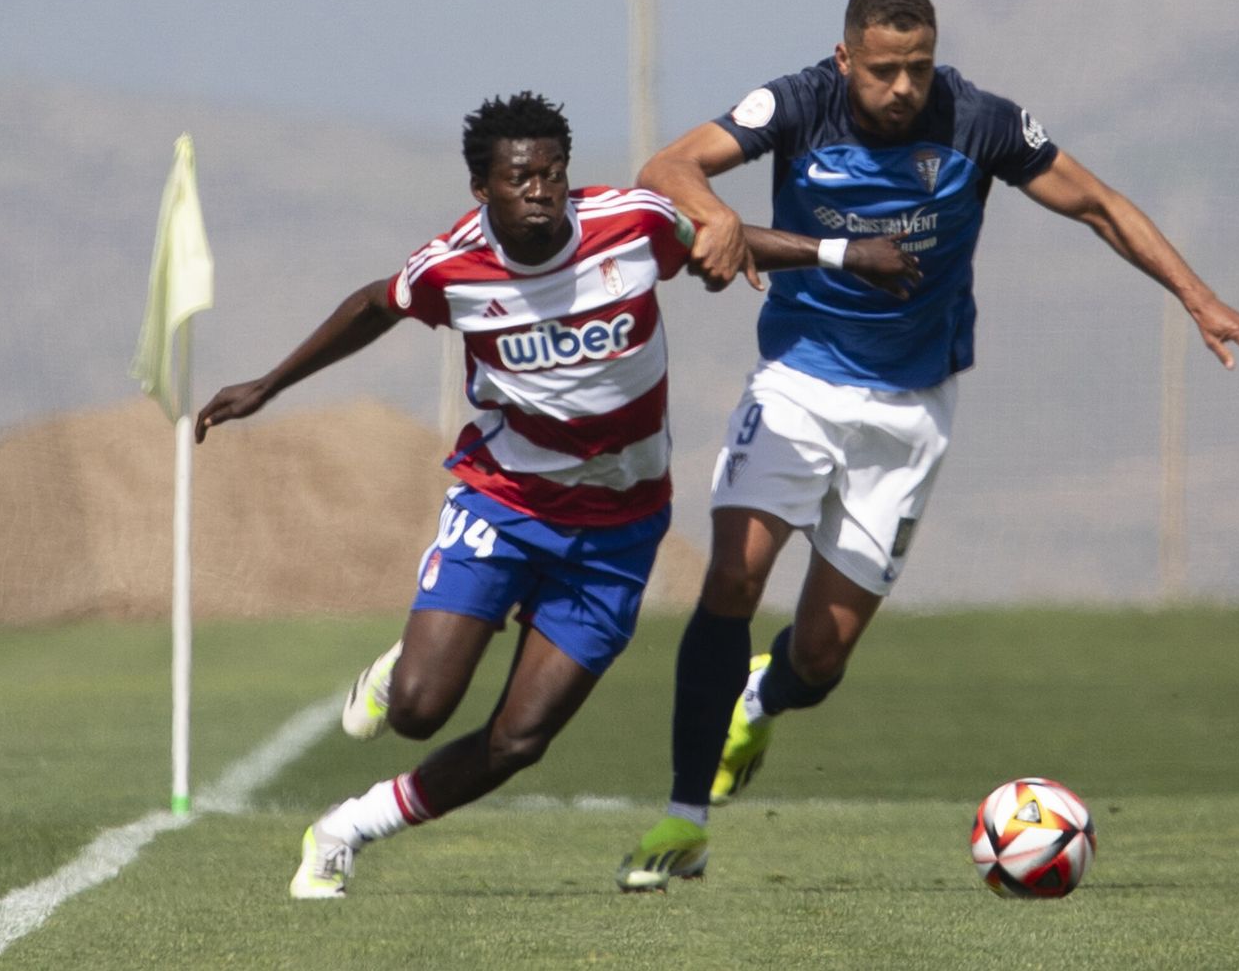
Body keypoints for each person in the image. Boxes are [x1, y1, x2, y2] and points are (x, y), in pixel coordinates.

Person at [615, 0, 1239, 891]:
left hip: (913, 408)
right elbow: (668, 165)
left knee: (822, 656)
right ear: (847, 59)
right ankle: (684, 822)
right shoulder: (798, 102)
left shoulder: (979, 120)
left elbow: (1099, 204)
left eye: (917, 68)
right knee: (732, 574)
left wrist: (1200, 299)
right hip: (800, 381)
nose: (903, 88)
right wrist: (718, 212)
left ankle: (759, 699)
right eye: (884, 71)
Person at [195, 92, 918, 899]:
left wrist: (846, 256)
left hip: (619, 530)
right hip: (506, 507)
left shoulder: (632, 224)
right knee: (421, 711)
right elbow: (373, 305)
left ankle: (345, 830)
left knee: (520, 739)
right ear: (483, 190)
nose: (540, 189)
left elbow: (722, 235)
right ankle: (406, 670)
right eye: (519, 178)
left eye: (553, 173)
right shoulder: (452, 268)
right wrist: (268, 383)